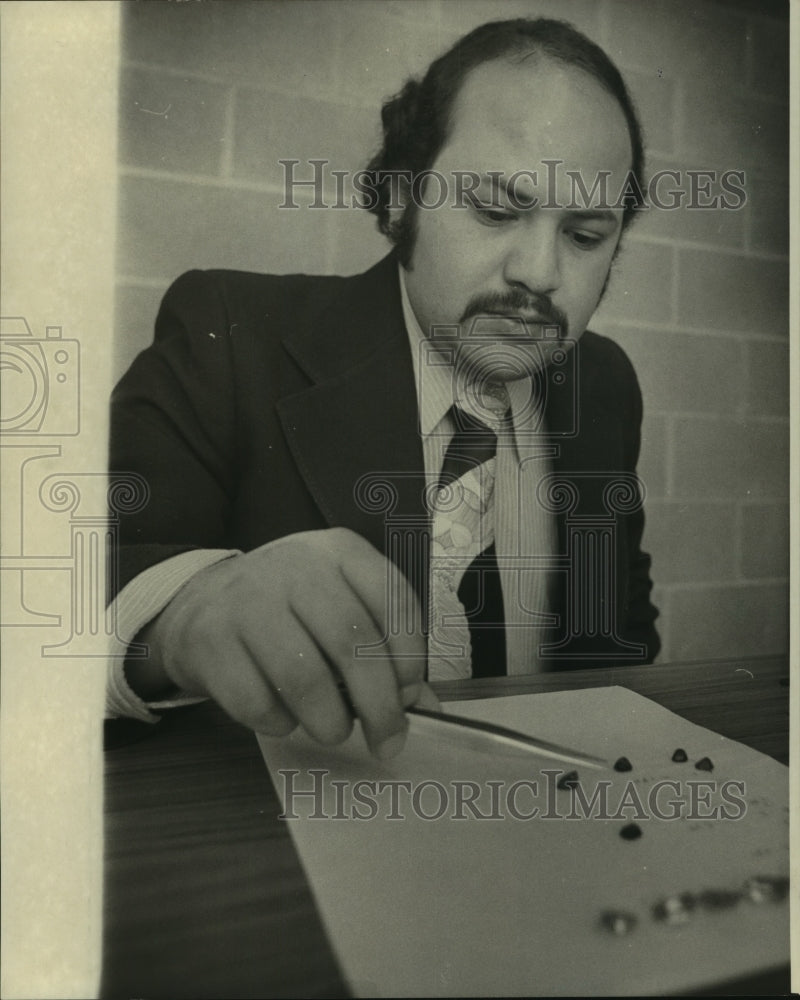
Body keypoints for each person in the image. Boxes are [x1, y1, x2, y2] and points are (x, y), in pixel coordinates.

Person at [108, 17, 660, 760]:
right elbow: (60, 579)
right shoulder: (230, 333)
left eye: (586, 236)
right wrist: (182, 612)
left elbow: (620, 638)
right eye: (497, 210)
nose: (540, 271)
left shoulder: (606, 385)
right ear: (401, 198)